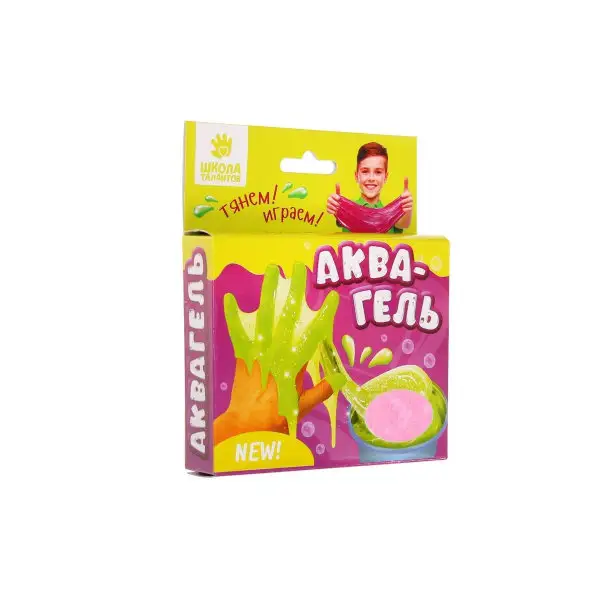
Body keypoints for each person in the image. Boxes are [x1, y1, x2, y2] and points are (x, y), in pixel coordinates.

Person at [326, 142, 413, 233]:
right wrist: (336, 205)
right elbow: (341, 218)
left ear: (385, 177)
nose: (371, 178)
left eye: (378, 172)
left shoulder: (392, 213)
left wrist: (406, 206)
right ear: (356, 176)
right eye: (365, 171)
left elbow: (403, 224)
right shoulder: (347, 209)